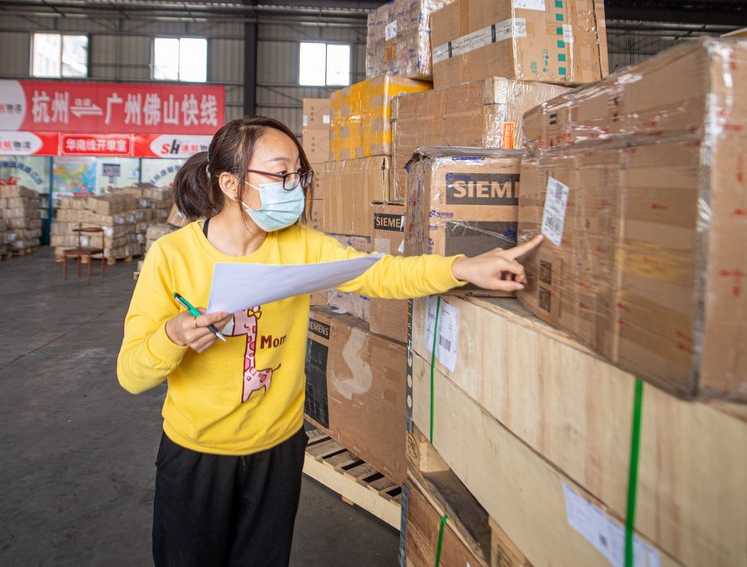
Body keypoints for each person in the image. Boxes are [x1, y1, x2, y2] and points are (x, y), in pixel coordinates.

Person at [117, 116, 542, 566]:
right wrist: (173, 335)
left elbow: (378, 273)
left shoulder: (301, 246)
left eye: (297, 174)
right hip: (196, 456)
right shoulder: (172, 256)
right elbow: (131, 373)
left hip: (277, 452)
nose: (294, 187)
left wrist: (460, 267)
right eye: (280, 174)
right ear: (231, 183)